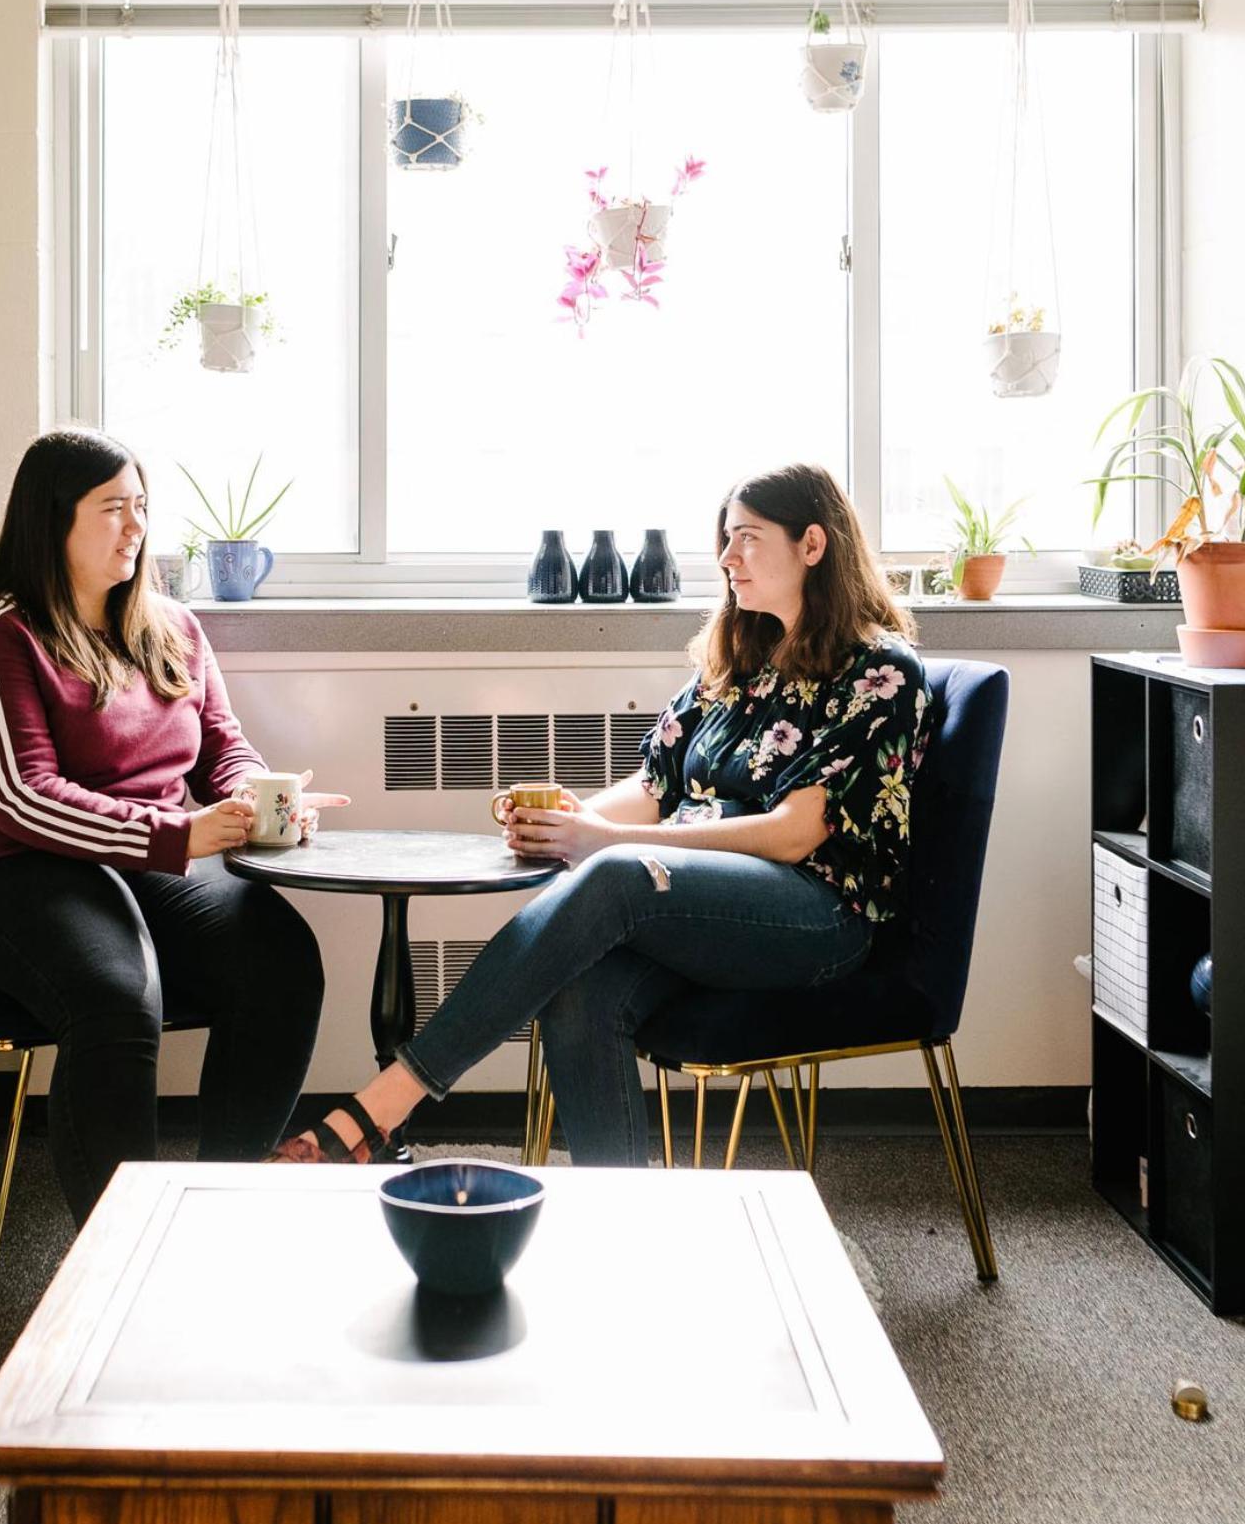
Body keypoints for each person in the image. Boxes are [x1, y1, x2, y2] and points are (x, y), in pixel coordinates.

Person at [276, 461, 932, 1168]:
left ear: (813, 544)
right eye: (725, 538)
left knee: (619, 870)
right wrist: (571, 820)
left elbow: (795, 832)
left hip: (816, 917)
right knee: (579, 988)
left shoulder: (879, 670)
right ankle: (623, 1217)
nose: (725, 557)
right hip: (707, 902)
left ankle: (384, 1104)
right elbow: (655, 785)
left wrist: (607, 841)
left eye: (746, 538)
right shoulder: (745, 656)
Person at [0, 429, 325, 1223]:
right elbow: (18, 795)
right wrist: (179, 836)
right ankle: (118, 1250)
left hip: (139, 866)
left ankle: (220, 1206)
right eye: (112, 509)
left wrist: (261, 799)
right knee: (115, 997)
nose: (136, 528)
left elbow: (222, 745)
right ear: (51, 521)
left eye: (141, 507)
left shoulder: (171, 625)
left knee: (282, 960)